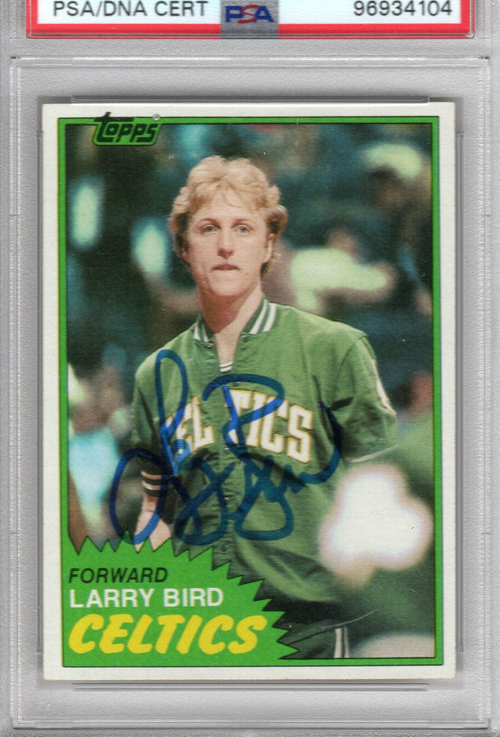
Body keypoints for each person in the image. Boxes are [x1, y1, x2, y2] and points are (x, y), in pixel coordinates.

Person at [130, 156, 398, 659]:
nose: (226, 246)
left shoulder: (333, 348)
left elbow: (383, 489)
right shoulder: (156, 372)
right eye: (207, 229)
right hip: (199, 628)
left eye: (243, 228)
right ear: (184, 248)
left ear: (269, 245)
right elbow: (154, 507)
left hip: (308, 624)